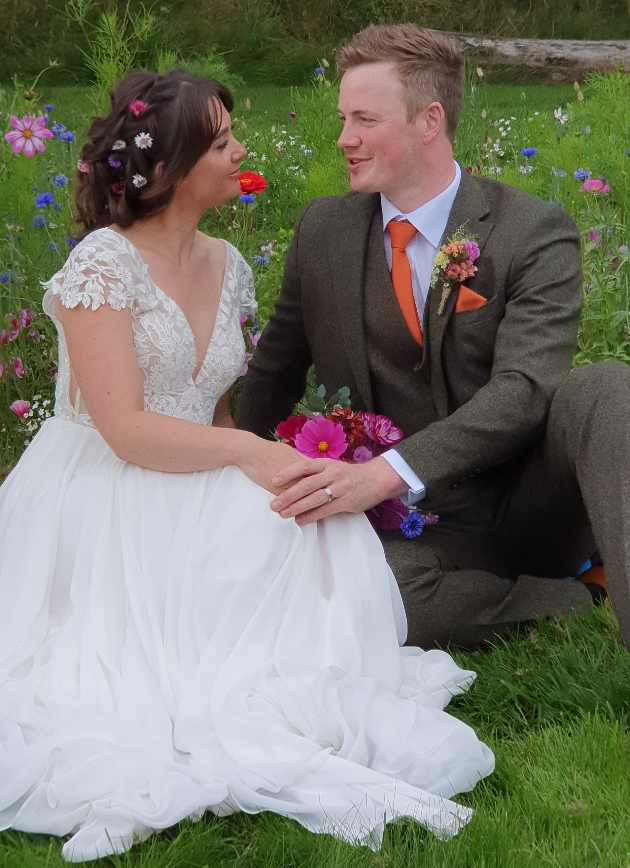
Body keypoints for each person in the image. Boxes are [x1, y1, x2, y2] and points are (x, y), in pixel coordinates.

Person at [0, 69, 494, 862]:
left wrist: (270, 465)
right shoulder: (103, 263)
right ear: (166, 168)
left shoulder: (229, 262)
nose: (241, 153)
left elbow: (216, 407)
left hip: (193, 467)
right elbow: (125, 427)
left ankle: (297, 687)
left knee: (308, 519)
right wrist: (248, 454)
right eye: (223, 141)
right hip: (103, 491)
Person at [237, 23, 630, 651]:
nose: (345, 139)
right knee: (371, 598)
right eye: (343, 118)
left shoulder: (531, 230)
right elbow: (275, 372)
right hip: (411, 532)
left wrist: (387, 472)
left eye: (364, 119)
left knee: (611, 389)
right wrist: (218, 474)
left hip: (525, 503)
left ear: (429, 120)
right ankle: (585, 597)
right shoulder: (323, 231)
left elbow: (526, 391)